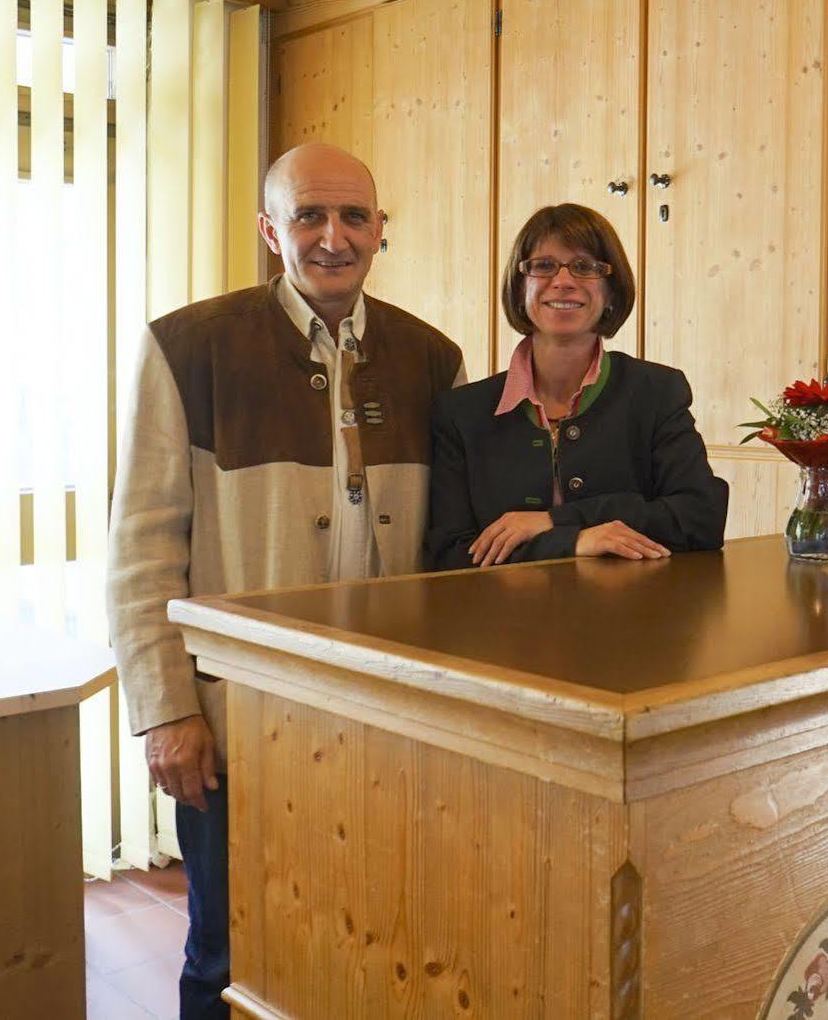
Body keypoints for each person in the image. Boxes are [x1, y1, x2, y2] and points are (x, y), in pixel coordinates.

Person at [107, 143, 463, 1018]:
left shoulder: (432, 359)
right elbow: (143, 544)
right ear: (271, 231)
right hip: (239, 719)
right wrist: (166, 708)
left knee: (379, 943)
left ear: (382, 230)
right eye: (308, 215)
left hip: (390, 720)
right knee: (226, 954)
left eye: (353, 216)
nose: (332, 237)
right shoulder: (187, 346)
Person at [426, 203, 727, 568]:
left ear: (612, 292)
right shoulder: (461, 412)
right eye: (544, 265)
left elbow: (700, 519)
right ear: (520, 285)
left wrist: (553, 521)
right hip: (504, 620)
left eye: (585, 267)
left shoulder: (657, 391)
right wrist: (575, 541)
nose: (563, 281)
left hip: (635, 617)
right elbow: (450, 555)